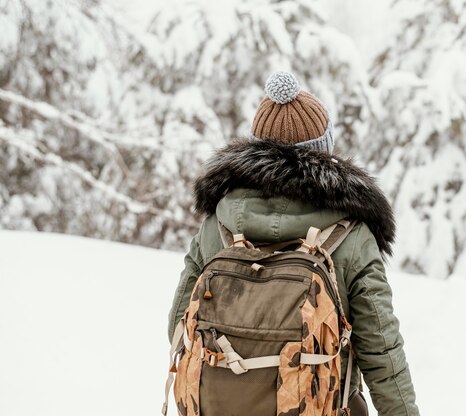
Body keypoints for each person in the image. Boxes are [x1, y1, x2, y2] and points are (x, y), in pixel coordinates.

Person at [168, 71, 420, 416]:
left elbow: (179, 325)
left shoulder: (217, 224)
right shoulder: (352, 234)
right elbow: (382, 351)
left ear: (253, 148)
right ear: (324, 151)